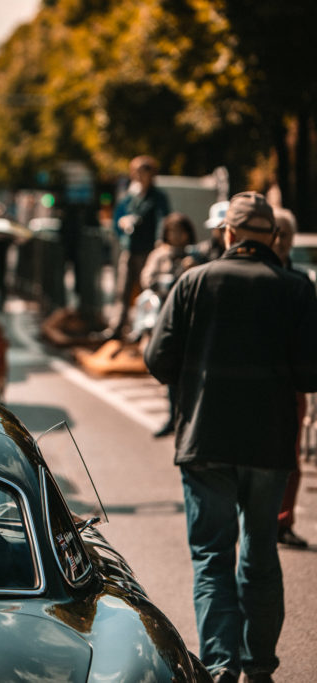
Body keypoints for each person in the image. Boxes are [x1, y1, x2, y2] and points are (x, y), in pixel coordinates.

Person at [144, 191, 317, 682]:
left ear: (228, 234)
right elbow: (310, 373)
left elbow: (158, 361)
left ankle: (221, 667)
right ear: (272, 238)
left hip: (206, 442)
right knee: (260, 553)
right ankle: (259, 666)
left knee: (212, 557)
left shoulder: (193, 281)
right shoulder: (296, 289)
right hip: (269, 445)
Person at [270, 207, 310, 549]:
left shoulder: (300, 281)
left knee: (292, 456)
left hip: (293, 382)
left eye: (286, 234)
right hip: (264, 380)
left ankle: (284, 521)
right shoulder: (258, 278)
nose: (281, 240)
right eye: (276, 232)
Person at [139, 212, 196, 438]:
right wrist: (167, 280)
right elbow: (147, 279)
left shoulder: (196, 254)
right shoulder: (159, 255)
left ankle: (184, 418)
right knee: (169, 369)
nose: (177, 236)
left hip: (189, 321)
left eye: (181, 231)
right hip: (164, 318)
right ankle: (173, 417)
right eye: (172, 231)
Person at [109, 155, 170, 340]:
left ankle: (141, 329)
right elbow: (118, 217)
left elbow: (163, 219)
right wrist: (123, 224)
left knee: (145, 291)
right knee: (123, 290)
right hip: (129, 248)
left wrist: (160, 240)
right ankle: (117, 326)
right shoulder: (131, 197)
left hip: (147, 250)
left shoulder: (158, 197)